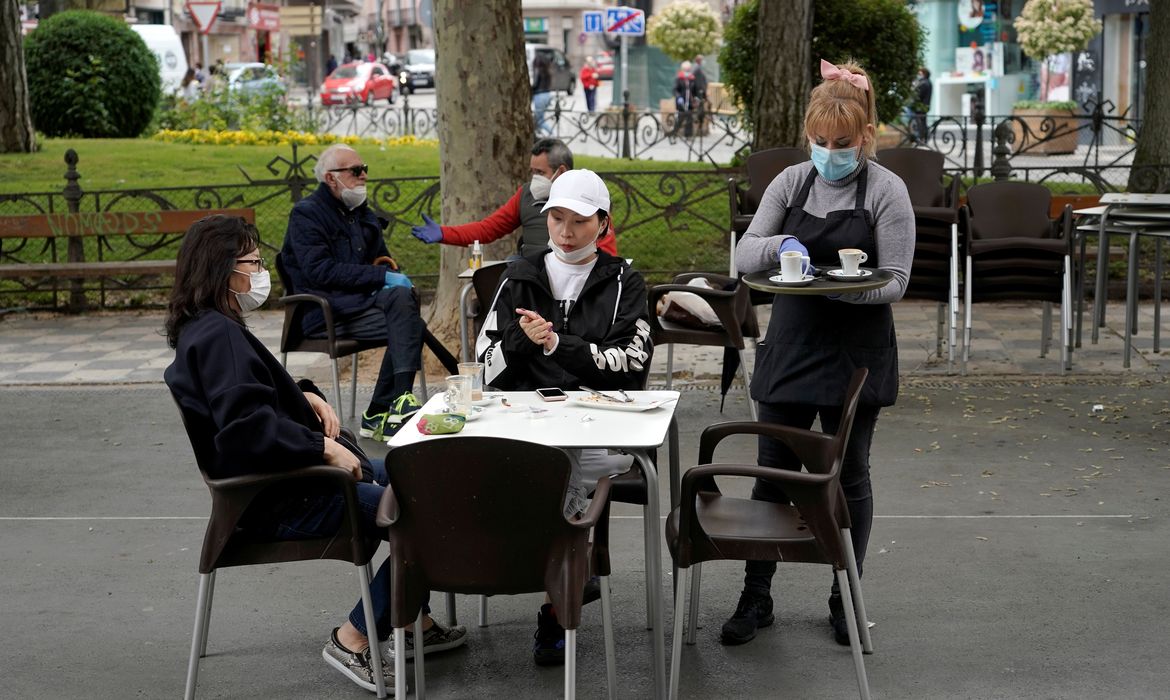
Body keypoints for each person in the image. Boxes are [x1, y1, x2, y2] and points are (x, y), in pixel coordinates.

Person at [164, 215, 467, 694]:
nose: (261, 273)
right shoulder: (218, 335)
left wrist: (304, 395)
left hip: (289, 482)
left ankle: (412, 624)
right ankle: (355, 637)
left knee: (428, 477)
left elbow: (250, 397)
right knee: (433, 514)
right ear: (225, 269)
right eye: (254, 263)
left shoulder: (205, 327)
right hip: (285, 496)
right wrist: (321, 447)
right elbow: (245, 431)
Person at [724, 59, 914, 647]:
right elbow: (742, 257)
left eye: (841, 143)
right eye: (819, 141)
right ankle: (757, 596)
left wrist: (834, 286)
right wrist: (781, 243)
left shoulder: (886, 190)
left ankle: (846, 599)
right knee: (771, 475)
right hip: (793, 347)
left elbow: (897, 281)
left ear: (865, 137)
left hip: (856, 353)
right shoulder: (791, 182)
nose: (829, 152)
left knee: (847, 475)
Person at [475, 169, 652, 667]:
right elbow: (485, 363)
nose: (566, 231)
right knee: (522, 465)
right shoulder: (518, 275)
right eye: (556, 218)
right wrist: (521, 340)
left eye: (579, 221)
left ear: (603, 223)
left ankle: (556, 598)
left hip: (597, 421)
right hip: (525, 418)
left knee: (568, 469)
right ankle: (566, 576)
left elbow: (630, 363)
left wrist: (556, 344)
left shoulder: (625, 281)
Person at [280, 145, 425, 443]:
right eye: (356, 171)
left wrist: (390, 276)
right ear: (331, 178)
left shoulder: (361, 214)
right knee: (410, 323)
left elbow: (381, 260)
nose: (363, 176)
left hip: (361, 305)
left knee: (404, 308)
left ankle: (386, 408)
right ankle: (391, 405)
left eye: (365, 169)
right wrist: (383, 277)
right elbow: (320, 271)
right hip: (324, 313)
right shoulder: (306, 214)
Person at [409, 138, 618, 258]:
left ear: (560, 171)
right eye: (556, 218)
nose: (565, 231)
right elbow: (488, 229)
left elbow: (607, 252)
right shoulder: (525, 195)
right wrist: (444, 233)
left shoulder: (590, 197)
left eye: (540, 172)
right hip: (531, 277)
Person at [532, 51, 554, 136]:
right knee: (539, 118)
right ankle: (538, 134)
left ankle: (552, 135)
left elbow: (535, 84)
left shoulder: (538, 70)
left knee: (540, 120)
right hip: (547, 95)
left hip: (539, 95)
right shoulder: (547, 71)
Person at [911, 67, 932, 144]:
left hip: (921, 107)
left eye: (920, 73)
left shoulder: (924, 83)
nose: (918, 75)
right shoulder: (928, 82)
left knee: (921, 123)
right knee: (923, 123)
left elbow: (919, 95)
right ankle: (924, 139)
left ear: (924, 74)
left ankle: (922, 139)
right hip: (925, 106)